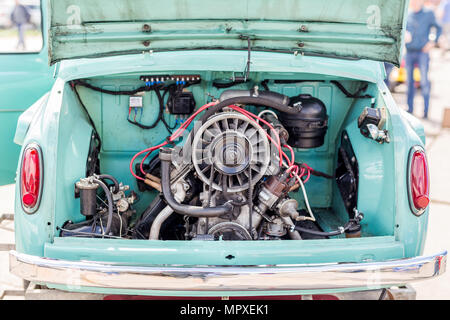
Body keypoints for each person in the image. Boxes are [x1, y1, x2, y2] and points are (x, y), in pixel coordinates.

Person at [405, 0, 442, 119]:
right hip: (409, 52)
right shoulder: (408, 15)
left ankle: (426, 111)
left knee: (424, 82)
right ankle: (410, 109)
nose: (414, 3)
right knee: (409, 82)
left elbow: (438, 28)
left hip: (422, 53)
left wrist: (433, 42)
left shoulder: (428, 14)